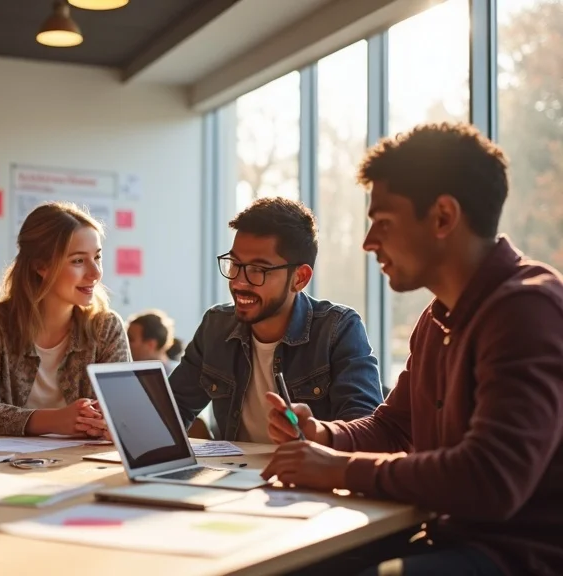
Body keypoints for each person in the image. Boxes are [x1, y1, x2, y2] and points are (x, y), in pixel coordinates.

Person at [262, 123, 562, 576]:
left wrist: (339, 470)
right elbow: (394, 427)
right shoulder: (437, 317)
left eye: (382, 222)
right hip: (448, 537)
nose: (368, 243)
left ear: (443, 217)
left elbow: (491, 478)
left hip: (517, 558)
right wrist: (324, 436)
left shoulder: (526, 308)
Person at [169, 197, 383, 443]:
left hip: (308, 476)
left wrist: (316, 433)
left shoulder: (338, 329)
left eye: (258, 270)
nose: (239, 282)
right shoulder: (216, 326)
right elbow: (174, 408)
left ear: (300, 278)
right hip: (231, 477)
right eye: (235, 264)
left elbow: (364, 428)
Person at [0, 201, 131, 437]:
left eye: (97, 257)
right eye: (78, 260)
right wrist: (55, 420)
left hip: (78, 466)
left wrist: (112, 423)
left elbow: (126, 416)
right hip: (3, 467)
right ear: (40, 266)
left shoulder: (106, 328)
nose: (95, 273)